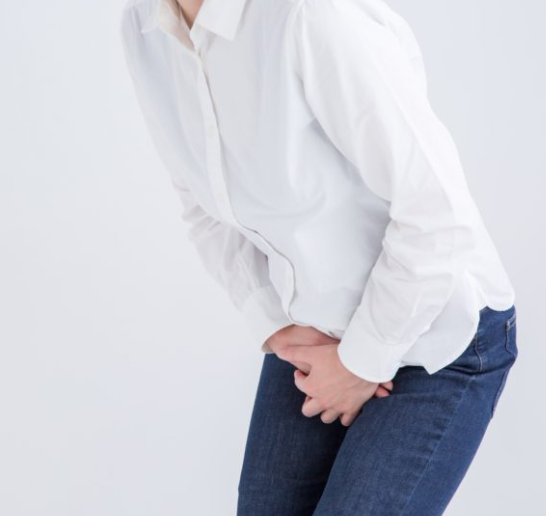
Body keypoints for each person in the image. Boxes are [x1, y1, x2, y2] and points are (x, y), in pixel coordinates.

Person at [119, 0, 519, 513]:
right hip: (317, 327)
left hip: (438, 329)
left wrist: (361, 363)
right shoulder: (144, 27)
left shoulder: (310, 16)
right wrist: (273, 322)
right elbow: (201, 200)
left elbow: (437, 211)